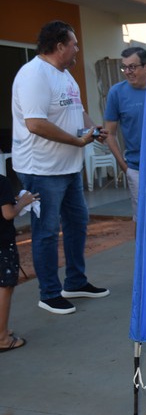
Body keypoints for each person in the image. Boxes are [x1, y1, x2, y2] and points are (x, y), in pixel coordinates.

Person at [11, 20, 110, 315]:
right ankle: (49, 293)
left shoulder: (65, 75)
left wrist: (93, 130)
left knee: (77, 223)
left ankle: (75, 282)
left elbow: (76, 110)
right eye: (74, 44)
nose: (77, 49)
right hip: (41, 169)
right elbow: (35, 123)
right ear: (59, 47)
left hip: (67, 167)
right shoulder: (33, 75)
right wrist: (76, 142)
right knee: (46, 231)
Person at [104, 47, 146, 221]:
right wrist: (125, 167)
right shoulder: (117, 92)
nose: (128, 72)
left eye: (132, 67)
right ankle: (141, 250)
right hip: (136, 169)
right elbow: (109, 133)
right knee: (142, 219)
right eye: (124, 67)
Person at [0, 180, 38, 352]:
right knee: (5, 287)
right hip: (2, 243)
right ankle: (2, 338)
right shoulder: (1, 181)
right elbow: (8, 213)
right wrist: (22, 202)